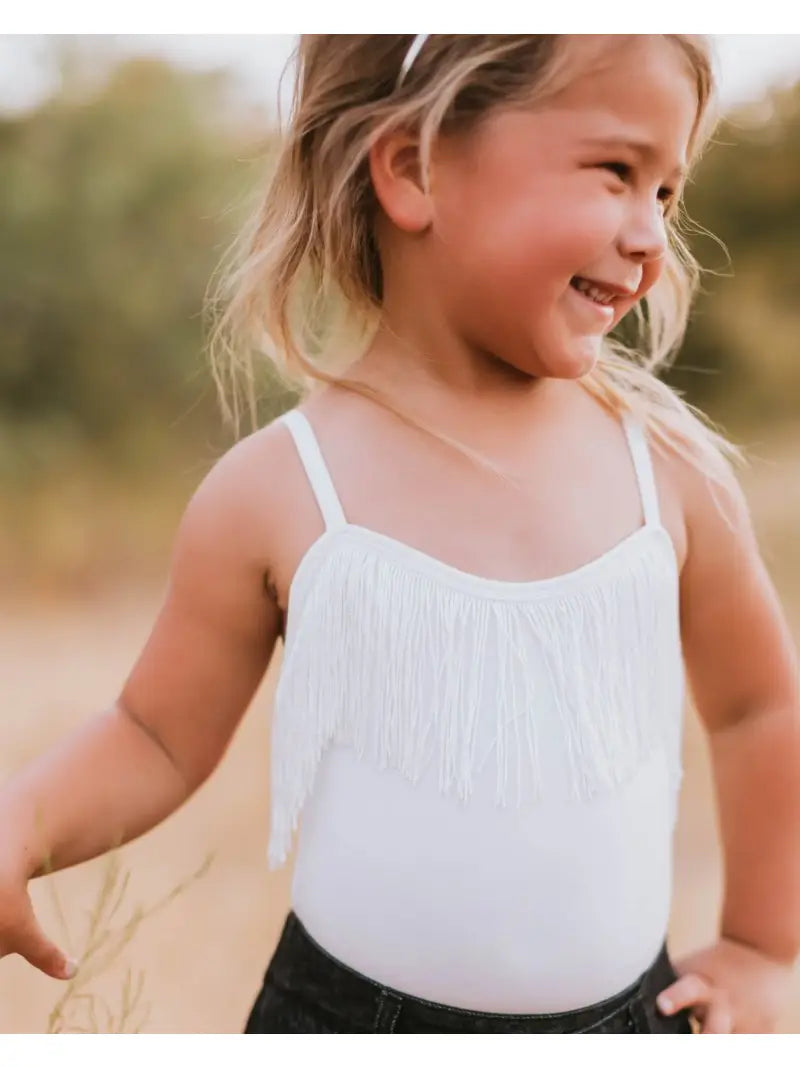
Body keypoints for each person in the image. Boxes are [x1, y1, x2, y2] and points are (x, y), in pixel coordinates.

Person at [2, 34, 799, 1035]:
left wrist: (765, 946)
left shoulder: (668, 472)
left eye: (666, 192)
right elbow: (155, 734)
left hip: (624, 1021)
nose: (649, 233)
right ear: (413, 169)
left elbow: (756, 708)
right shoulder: (279, 489)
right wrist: (20, 819)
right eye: (613, 172)